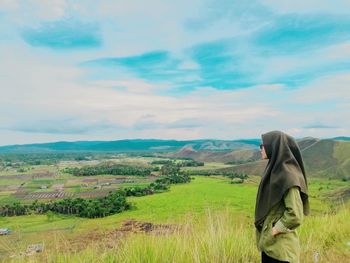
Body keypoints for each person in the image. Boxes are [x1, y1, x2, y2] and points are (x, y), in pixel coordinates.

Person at [254, 130, 310, 263]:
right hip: (270, 247)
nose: (261, 148)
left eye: (263, 145)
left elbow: (295, 215)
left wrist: (275, 230)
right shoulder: (275, 172)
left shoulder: (288, 176)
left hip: (281, 251)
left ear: (274, 147)